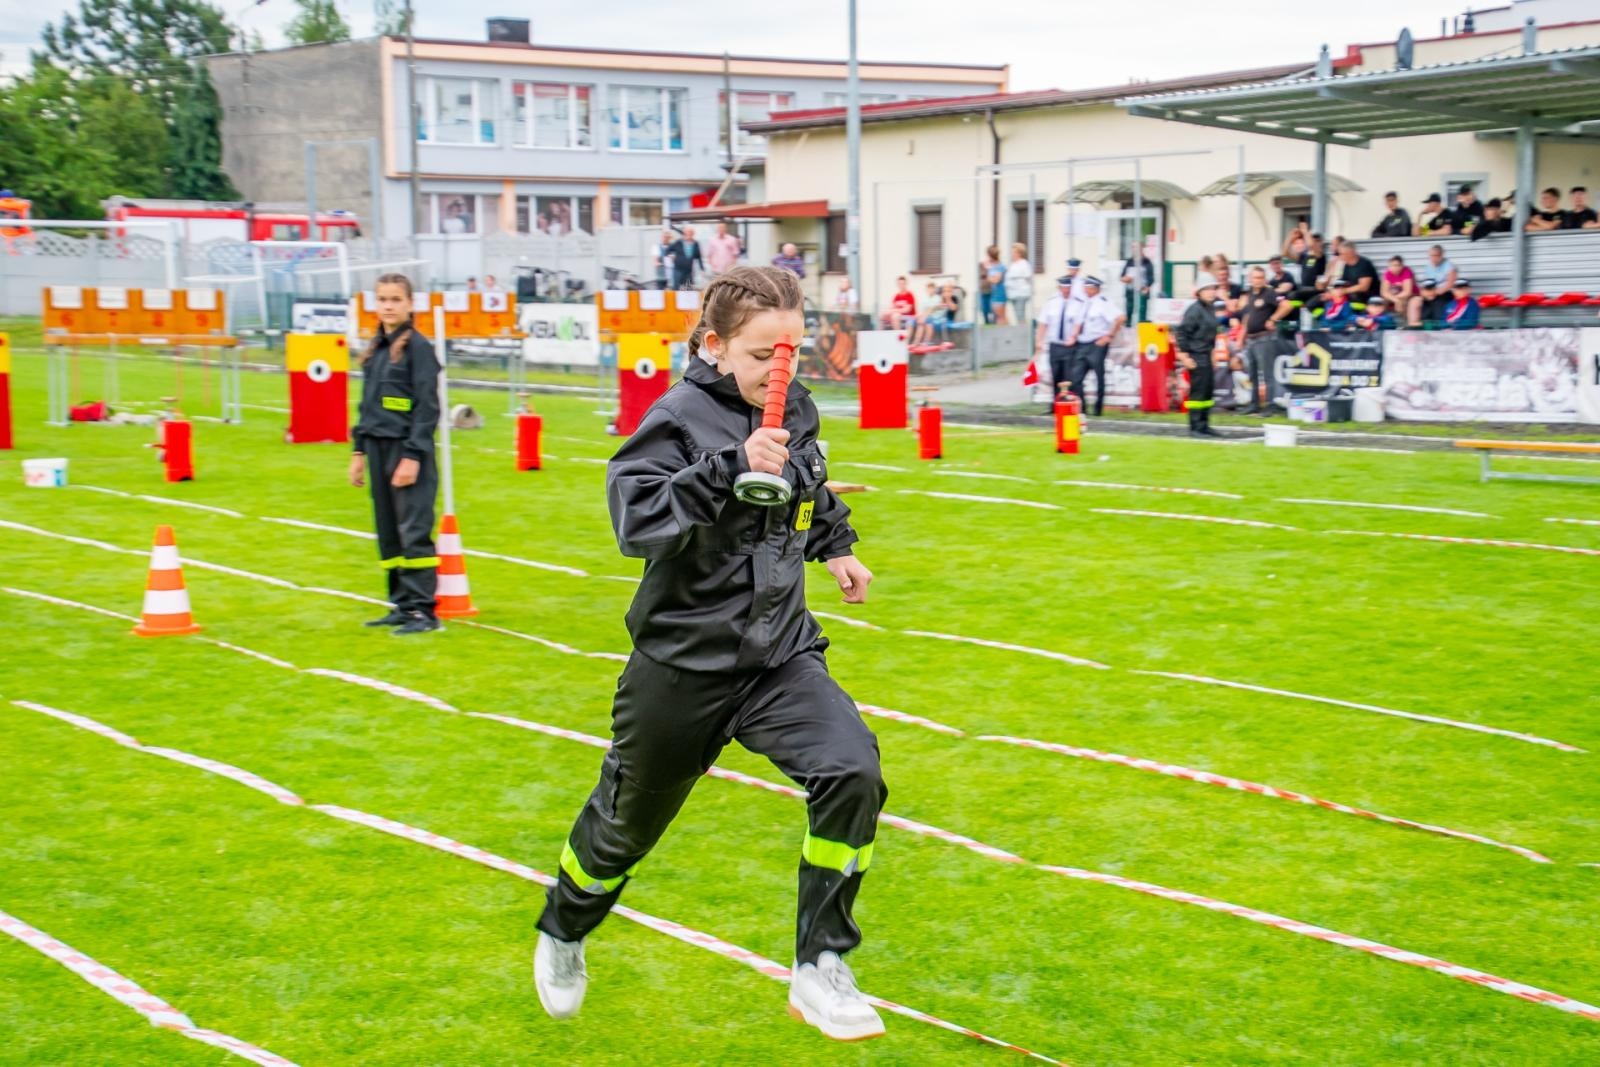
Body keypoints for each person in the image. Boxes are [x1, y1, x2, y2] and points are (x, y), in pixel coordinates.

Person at [532, 265, 886, 1043]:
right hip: (683, 666)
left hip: (779, 654)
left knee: (852, 769)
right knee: (622, 831)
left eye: (791, 350)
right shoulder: (678, 416)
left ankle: (821, 962)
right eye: (763, 355)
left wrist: (837, 546)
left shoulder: (795, 406)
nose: (779, 369)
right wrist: (729, 468)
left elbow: (807, 486)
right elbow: (638, 520)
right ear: (715, 345)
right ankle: (564, 926)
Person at [348, 273, 442, 636]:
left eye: (395, 299)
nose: (388, 305)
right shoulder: (377, 349)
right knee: (388, 530)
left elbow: (427, 408)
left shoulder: (418, 348)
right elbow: (366, 406)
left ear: (409, 304)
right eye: (382, 299)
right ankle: (401, 604)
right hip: (376, 447)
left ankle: (423, 611)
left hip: (405, 450)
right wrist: (358, 451)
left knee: (414, 528)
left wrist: (413, 456)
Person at [1064, 275, 1123, 417]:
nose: (1085, 289)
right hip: (1082, 343)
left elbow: (1120, 318)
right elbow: (1079, 322)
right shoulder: (1085, 302)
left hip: (1096, 344)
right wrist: (1073, 336)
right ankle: (1082, 408)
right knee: (1076, 378)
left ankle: (1098, 409)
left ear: (1094, 288)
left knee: (1099, 378)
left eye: (1087, 287)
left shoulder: (1103, 302)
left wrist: (1109, 336)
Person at [1235, 266, 1285, 416]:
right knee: (1252, 373)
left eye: (1261, 278)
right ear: (1250, 279)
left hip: (1264, 338)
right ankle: (1254, 403)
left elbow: (1286, 305)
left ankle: (1269, 404)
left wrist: (1273, 319)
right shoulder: (1249, 294)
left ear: (1265, 279)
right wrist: (1241, 337)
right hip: (1251, 339)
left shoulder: (1269, 293)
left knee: (1267, 373)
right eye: (1255, 278)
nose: (1258, 281)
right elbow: (1247, 318)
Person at [1175, 275, 1220, 437]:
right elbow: (1182, 333)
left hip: (1207, 354)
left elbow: (1212, 334)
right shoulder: (1194, 310)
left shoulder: (1210, 308)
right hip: (1196, 355)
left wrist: (1213, 354)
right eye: (1207, 289)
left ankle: (1204, 424)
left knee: (1207, 392)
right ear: (1199, 292)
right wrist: (1185, 356)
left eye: (1213, 289)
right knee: (1198, 393)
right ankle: (1195, 427)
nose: (1211, 292)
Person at [1035, 273, 1085, 411]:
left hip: (1070, 346)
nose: (1066, 290)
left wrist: (1073, 337)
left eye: (1068, 288)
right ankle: (1056, 405)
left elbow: (1078, 324)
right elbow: (1043, 323)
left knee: (1069, 377)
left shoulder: (1078, 303)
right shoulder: (1051, 303)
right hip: (1055, 344)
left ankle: (1070, 406)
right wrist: (1039, 340)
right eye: (1063, 287)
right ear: (1059, 287)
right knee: (1056, 376)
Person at [1406, 245, 1457, 327]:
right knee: (1414, 301)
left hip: (1444, 293)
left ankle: (1435, 326)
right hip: (1431, 292)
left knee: (1437, 303)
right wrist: (1425, 293)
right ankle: (1414, 325)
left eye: (1436, 255)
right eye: (1432, 256)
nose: (1434, 258)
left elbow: (1450, 284)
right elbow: (1426, 283)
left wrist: (1434, 293)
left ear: (1441, 255)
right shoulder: (1429, 266)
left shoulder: (1449, 266)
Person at [1333, 241, 1378, 306]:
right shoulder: (1346, 265)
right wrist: (1335, 290)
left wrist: (1344, 291)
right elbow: (1343, 282)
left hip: (1366, 297)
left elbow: (1364, 287)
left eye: (1340, 254)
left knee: (1350, 297)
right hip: (1352, 294)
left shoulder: (1364, 264)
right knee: (1323, 297)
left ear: (1350, 253)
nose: (1339, 256)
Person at [1119, 247, 1156, 323]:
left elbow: (1151, 278)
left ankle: (1141, 327)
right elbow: (1122, 276)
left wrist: (1147, 286)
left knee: (1142, 311)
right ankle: (1128, 326)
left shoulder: (1147, 262)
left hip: (1142, 290)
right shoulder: (1129, 261)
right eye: (1133, 249)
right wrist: (1125, 279)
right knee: (1129, 309)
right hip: (1130, 290)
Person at [1004, 242, 1034, 324]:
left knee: (1020, 315)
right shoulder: (1012, 264)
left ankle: (1024, 333)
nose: (1012, 254)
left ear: (1019, 253)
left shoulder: (1024, 264)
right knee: (1017, 315)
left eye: (1014, 252)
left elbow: (1028, 278)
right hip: (1013, 293)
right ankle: (1022, 330)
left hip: (1021, 293)